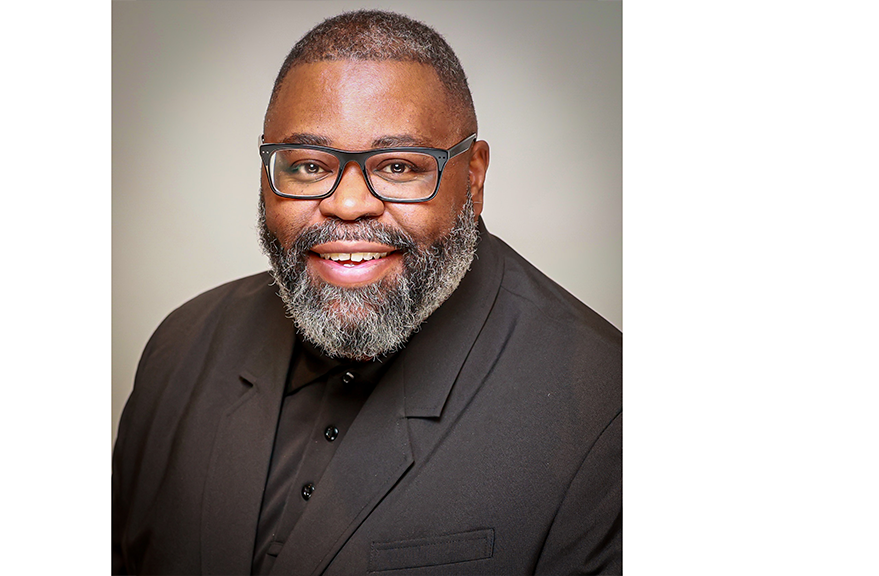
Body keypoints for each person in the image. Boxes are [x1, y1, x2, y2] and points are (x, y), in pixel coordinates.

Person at [113, 10, 621, 575]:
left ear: (473, 177)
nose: (348, 204)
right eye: (308, 165)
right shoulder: (179, 350)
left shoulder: (609, 410)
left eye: (399, 166)